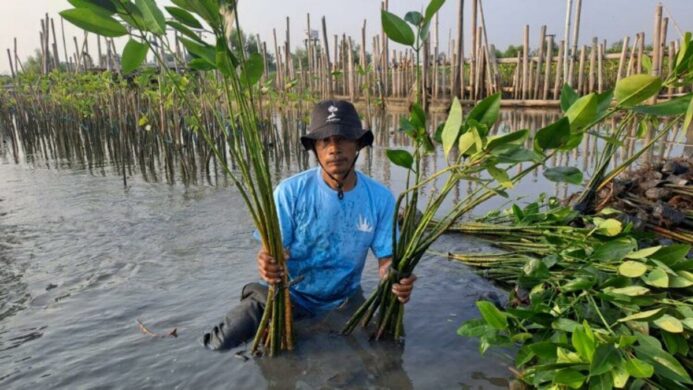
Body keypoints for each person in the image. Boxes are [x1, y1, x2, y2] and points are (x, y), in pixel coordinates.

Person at [203, 100, 417, 350]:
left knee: (387, 344)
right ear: (315, 148)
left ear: (358, 144)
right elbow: (269, 251)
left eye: (343, 138)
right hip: (286, 295)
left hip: (343, 301)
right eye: (325, 141)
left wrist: (396, 280)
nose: (334, 149)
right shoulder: (289, 192)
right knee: (220, 343)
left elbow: (386, 261)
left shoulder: (380, 198)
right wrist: (266, 262)